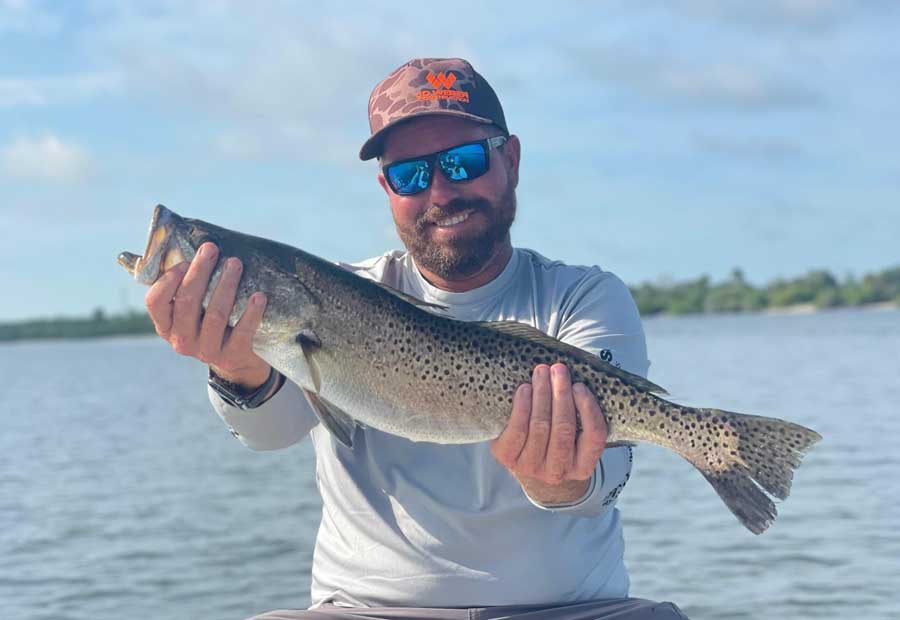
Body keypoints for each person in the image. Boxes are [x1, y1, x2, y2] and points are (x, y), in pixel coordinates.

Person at [145, 58, 688, 620]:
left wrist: (556, 482)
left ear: (512, 160)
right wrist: (235, 369)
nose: (440, 190)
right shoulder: (342, 297)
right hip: (362, 609)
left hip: (571, 610)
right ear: (387, 188)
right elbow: (272, 432)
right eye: (409, 174)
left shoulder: (583, 297)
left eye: (464, 160)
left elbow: (605, 479)